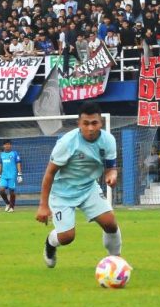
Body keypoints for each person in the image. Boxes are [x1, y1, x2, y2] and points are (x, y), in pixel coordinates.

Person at [36, 102, 121, 269]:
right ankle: (50, 243)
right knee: (67, 237)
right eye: (86, 123)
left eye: (94, 123)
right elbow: (49, 173)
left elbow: (111, 168)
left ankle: (116, 262)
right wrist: (43, 206)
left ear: (101, 123)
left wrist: (112, 175)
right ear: (79, 124)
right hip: (62, 193)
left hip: (88, 188)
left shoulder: (108, 140)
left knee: (110, 223)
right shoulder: (67, 143)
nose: (90, 128)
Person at [0, 140, 23, 212]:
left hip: (12, 175)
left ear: (10, 145)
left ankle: (12, 207)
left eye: (9, 144)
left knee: (11, 191)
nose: (7, 145)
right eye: (6, 144)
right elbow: (0, 165)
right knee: (1, 190)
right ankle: (7, 203)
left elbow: (18, 163)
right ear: (3, 146)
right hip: (4, 176)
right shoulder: (1, 155)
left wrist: (19, 174)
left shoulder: (14, 153)